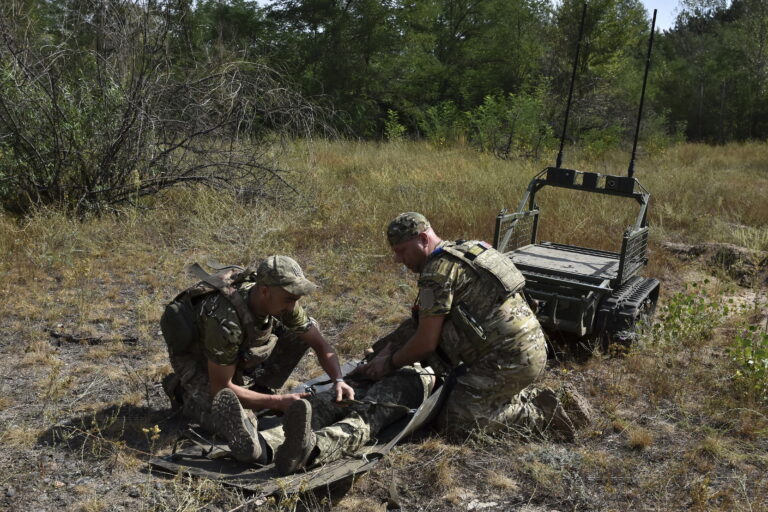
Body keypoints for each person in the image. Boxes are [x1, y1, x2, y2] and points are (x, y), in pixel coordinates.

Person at [351, 212, 591, 440]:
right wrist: (383, 348)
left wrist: (390, 363)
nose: (398, 259)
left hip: (508, 360)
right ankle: (518, 397)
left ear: (423, 239)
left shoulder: (437, 274)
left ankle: (543, 413)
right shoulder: (468, 249)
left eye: (402, 251)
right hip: (531, 346)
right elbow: (419, 323)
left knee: (457, 421)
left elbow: (425, 343)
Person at [160, 255, 355, 463]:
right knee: (237, 424)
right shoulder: (226, 322)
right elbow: (221, 388)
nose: (292, 306)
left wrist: (338, 380)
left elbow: (320, 344)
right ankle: (181, 392)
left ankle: (261, 391)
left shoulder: (281, 299)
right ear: (264, 291)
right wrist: (278, 403)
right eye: (289, 299)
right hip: (197, 360)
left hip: (230, 355)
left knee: (304, 330)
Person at [274, 364, 434, 475]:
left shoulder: (436, 318)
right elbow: (377, 348)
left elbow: (426, 346)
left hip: (414, 377)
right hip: (371, 374)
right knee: (324, 403)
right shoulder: (414, 320)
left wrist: (389, 360)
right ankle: (265, 446)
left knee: (365, 417)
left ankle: (310, 450)